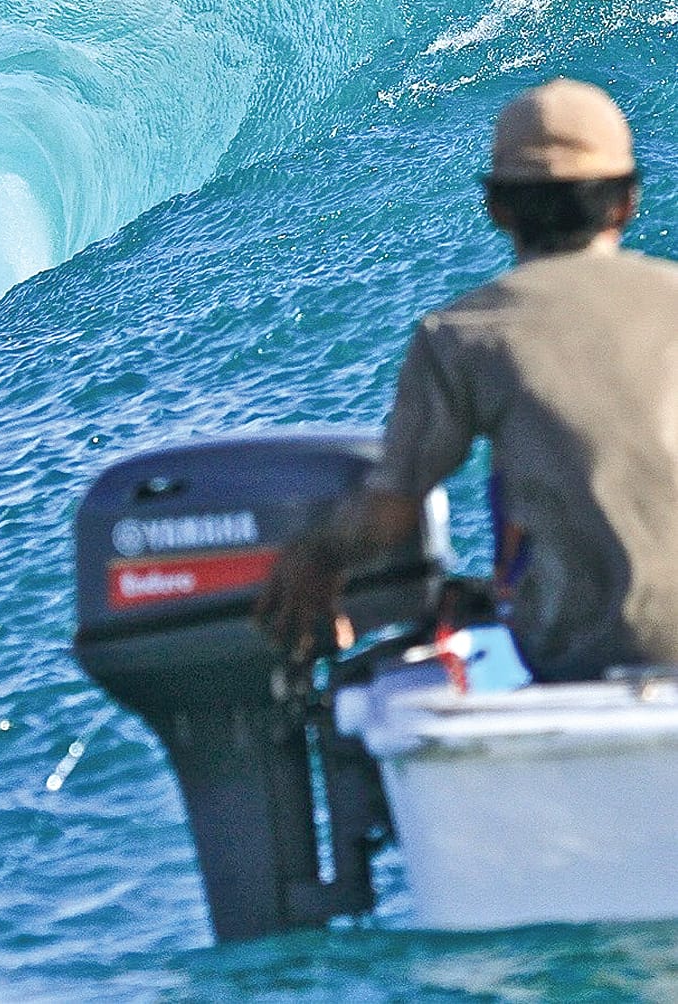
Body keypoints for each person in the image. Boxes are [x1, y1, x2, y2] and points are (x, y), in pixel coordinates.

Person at [258, 78, 678, 683]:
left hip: (578, 657)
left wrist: (313, 557)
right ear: (627, 203)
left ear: (497, 207)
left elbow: (390, 513)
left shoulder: (464, 334)